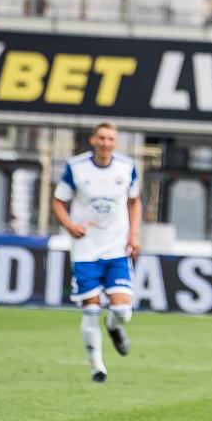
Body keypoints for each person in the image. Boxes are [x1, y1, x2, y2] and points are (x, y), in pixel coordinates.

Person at [52, 122, 141, 384]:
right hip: (86, 250)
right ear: (93, 140)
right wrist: (70, 226)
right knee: (90, 309)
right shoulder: (76, 167)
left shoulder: (127, 167)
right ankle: (98, 368)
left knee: (122, 310)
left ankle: (113, 326)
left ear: (116, 142)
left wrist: (134, 234)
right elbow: (58, 201)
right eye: (101, 138)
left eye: (110, 139)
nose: (105, 143)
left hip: (116, 248)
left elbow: (135, 201)